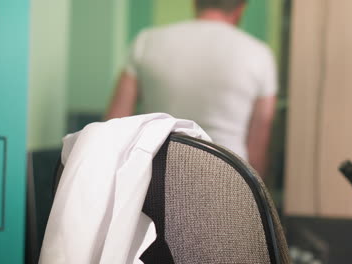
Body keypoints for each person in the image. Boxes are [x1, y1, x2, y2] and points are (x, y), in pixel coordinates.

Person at [106, 0, 278, 178]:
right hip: (229, 180)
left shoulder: (146, 42)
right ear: (241, 8)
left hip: (156, 177)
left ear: (195, 3)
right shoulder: (260, 54)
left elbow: (115, 124)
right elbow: (258, 146)